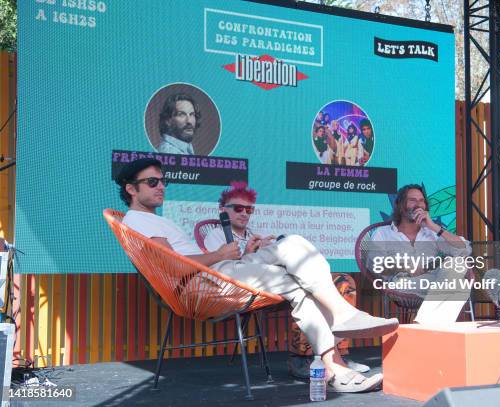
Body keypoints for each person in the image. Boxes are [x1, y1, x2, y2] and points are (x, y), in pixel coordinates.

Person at [115, 158, 398, 392]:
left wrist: (237, 254)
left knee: (293, 244)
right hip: (207, 281)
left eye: (163, 181)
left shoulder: (154, 219)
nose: (161, 186)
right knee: (298, 285)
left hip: (219, 271)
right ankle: (336, 366)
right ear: (130, 188)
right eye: (152, 182)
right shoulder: (138, 220)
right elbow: (173, 267)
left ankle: (341, 324)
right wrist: (220, 255)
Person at [204, 182, 370, 378]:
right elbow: (224, 273)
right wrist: (248, 253)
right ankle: (301, 358)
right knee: (305, 287)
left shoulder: (255, 234)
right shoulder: (215, 236)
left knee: (344, 281)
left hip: (279, 281)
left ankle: (339, 353)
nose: (244, 213)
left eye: (249, 209)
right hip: (254, 290)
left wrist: (269, 248)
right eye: (238, 208)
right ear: (223, 210)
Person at [371, 184, 472, 324]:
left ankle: (422, 325)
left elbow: (464, 249)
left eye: (421, 200)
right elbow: (377, 265)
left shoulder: (431, 233)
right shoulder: (383, 233)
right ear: (400, 205)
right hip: (402, 282)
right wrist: (409, 268)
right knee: (461, 288)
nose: (418, 205)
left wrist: (434, 226)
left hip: (432, 280)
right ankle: (426, 327)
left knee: (458, 265)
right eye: (412, 200)